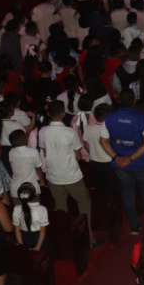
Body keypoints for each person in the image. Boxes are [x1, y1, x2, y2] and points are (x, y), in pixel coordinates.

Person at [39, 100, 98, 246]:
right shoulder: (69, 132)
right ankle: (89, 239)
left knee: (60, 209)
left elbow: (45, 152)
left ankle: (65, 242)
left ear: (48, 114)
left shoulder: (43, 131)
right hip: (71, 175)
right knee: (84, 204)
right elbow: (78, 156)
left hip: (53, 176)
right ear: (63, 114)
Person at [101, 89, 144, 234]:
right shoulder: (143, 117)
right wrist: (131, 159)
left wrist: (116, 158)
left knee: (127, 194)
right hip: (142, 164)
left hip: (120, 166)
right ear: (134, 101)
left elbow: (103, 141)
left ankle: (134, 226)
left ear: (119, 101)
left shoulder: (109, 118)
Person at [12, 182, 48, 251]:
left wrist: (21, 246)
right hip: (39, 239)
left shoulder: (16, 209)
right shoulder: (42, 209)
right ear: (34, 194)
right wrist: (38, 247)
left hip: (24, 238)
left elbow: (17, 230)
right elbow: (43, 232)